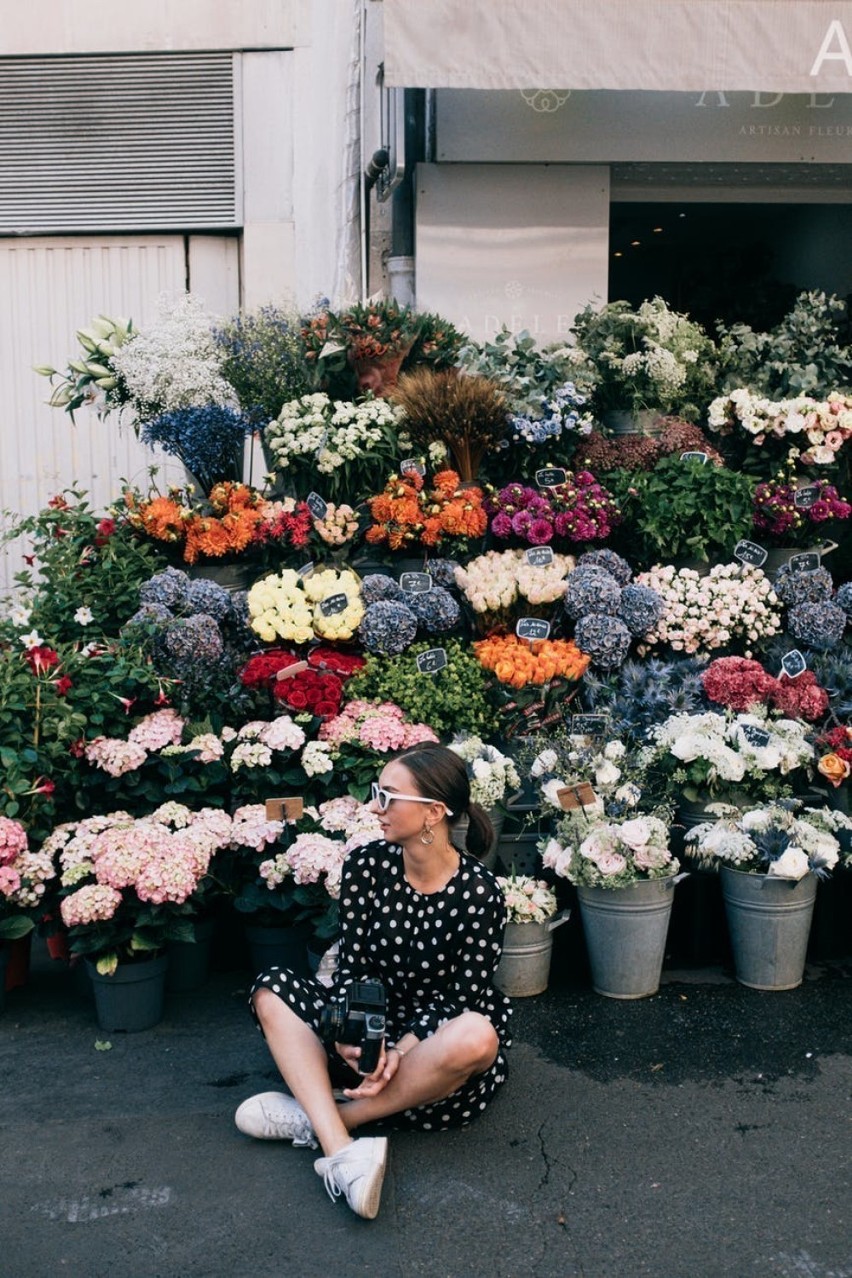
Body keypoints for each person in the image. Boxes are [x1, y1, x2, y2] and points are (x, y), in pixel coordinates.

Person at [234, 742, 512, 1220]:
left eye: (387, 796)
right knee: (271, 987)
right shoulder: (367, 865)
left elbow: (460, 999)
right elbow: (353, 966)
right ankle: (344, 1151)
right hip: (370, 1031)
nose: (373, 806)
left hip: (429, 1050)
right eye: (375, 792)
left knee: (477, 1035)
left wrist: (400, 1050)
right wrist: (352, 1030)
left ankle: (325, 1118)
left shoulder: (480, 894)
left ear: (433, 813)